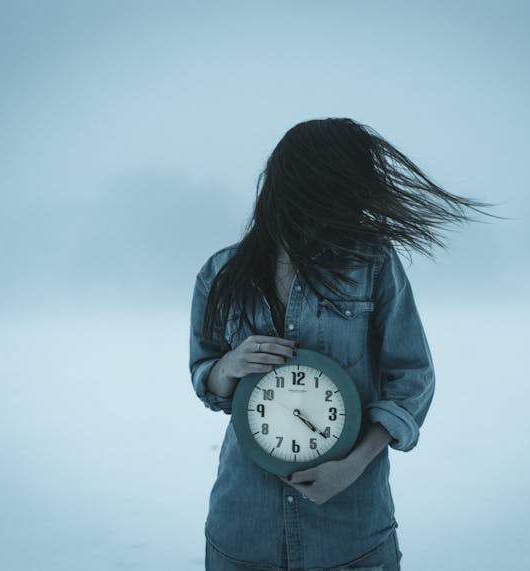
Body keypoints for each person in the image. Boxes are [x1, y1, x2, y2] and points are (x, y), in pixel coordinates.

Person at [189, 117, 492, 570]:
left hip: (350, 535)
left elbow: (411, 378)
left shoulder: (371, 264)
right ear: (305, 181)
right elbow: (205, 376)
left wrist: (352, 466)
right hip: (243, 530)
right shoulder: (221, 273)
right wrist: (230, 365)